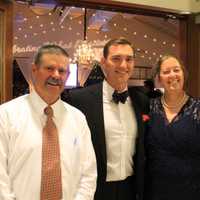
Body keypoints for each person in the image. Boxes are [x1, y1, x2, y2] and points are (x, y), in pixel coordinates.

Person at [0, 44, 97, 200]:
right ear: (34, 70)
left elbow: (88, 173)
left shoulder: (78, 119)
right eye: (49, 68)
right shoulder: (6, 115)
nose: (56, 75)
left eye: (62, 71)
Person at [65, 38, 149, 200]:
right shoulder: (79, 100)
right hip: (94, 189)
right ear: (103, 62)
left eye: (129, 59)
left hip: (131, 190)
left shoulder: (141, 101)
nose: (123, 65)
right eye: (116, 59)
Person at [144, 54, 200, 200]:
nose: (172, 75)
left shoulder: (197, 109)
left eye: (176, 70)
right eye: (166, 72)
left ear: (183, 74)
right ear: (159, 78)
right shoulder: (148, 106)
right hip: (154, 190)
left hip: (191, 190)